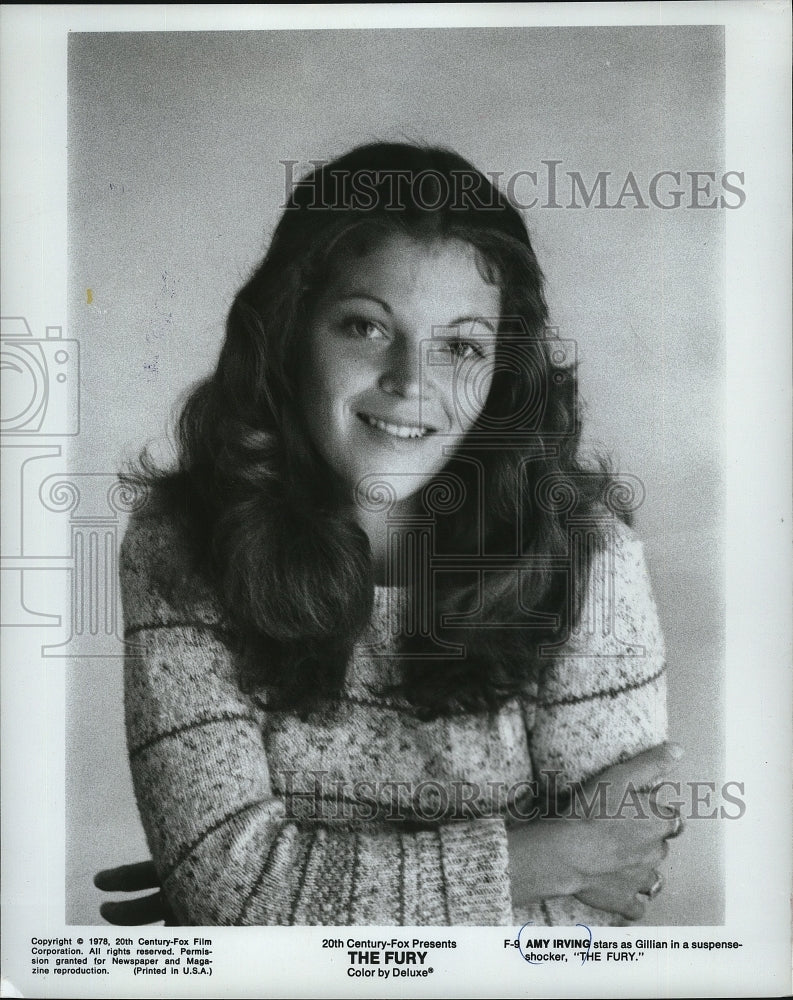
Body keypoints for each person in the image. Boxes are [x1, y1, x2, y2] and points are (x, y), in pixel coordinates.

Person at [96, 142, 682, 927]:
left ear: (501, 370)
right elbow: (226, 890)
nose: (411, 381)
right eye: (366, 327)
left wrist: (301, 898)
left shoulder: (589, 558)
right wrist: (549, 856)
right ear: (288, 333)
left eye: (461, 345)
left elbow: (592, 916)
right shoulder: (178, 546)